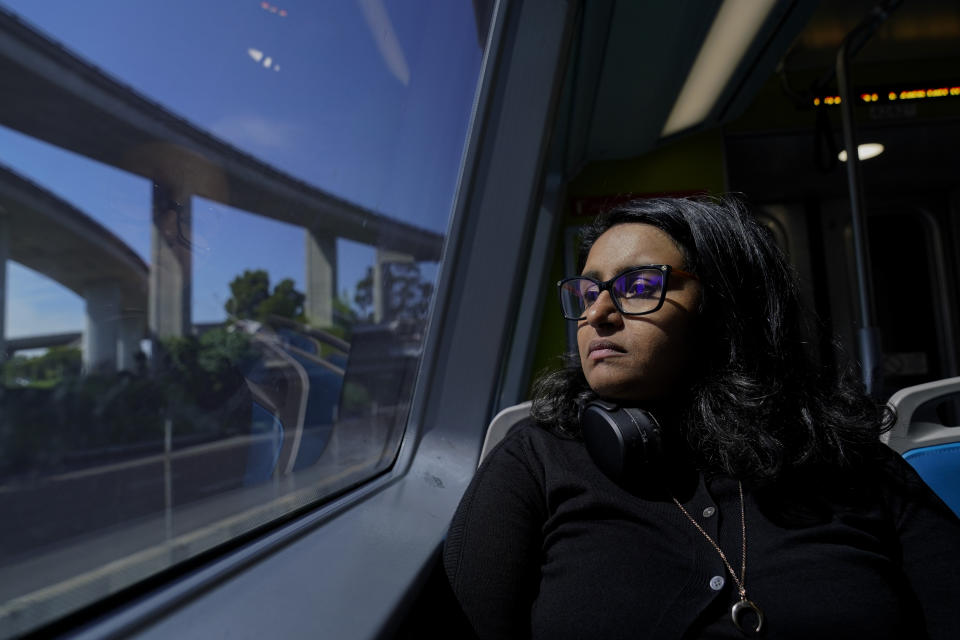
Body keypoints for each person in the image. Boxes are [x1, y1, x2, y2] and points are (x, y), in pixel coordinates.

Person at [443, 197, 960, 639]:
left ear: (727, 306)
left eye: (639, 286)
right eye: (587, 290)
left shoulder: (849, 464)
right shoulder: (536, 461)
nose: (596, 313)